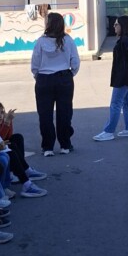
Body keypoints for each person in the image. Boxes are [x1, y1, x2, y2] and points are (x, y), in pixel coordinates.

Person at [31, 12, 80, 156]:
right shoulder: (68, 40)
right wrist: (70, 74)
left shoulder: (41, 41)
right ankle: (65, 145)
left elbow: (35, 63)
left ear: (49, 24)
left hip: (44, 79)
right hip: (64, 78)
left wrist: (38, 76)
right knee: (65, 112)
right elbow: (75, 61)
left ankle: (48, 147)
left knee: (45, 114)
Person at [93, 15, 128, 141]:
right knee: (127, 102)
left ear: (123, 26)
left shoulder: (126, 41)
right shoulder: (125, 39)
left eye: (116, 24)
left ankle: (109, 131)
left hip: (123, 77)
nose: (114, 26)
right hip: (126, 76)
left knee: (115, 103)